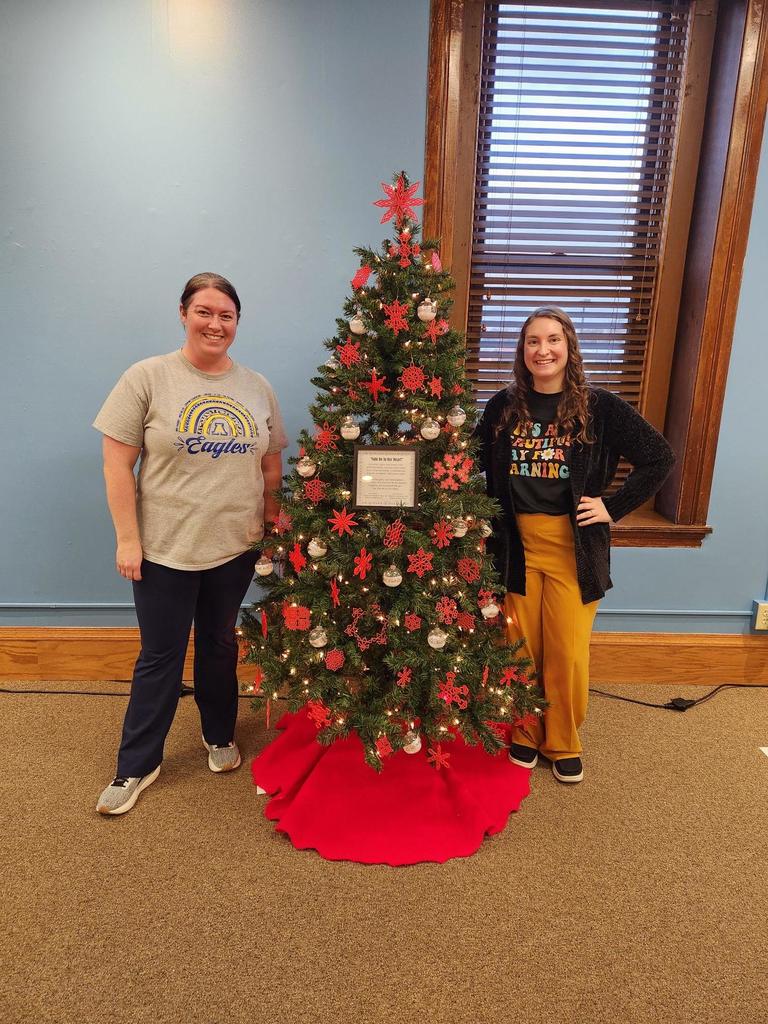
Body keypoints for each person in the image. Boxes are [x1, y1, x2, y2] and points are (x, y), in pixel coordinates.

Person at [93, 273, 287, 814]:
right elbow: (116, 464)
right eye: (204, 311)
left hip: (236, 544)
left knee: (221, 642)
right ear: (183, 314)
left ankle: (219, 734)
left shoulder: (256, 386)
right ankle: (136, 765)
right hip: (164, 549)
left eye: (226, 315)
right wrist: (127, 539)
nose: (215, 323)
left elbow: (271, 462)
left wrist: (272, 522)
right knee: (161, 655)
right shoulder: (147, 378)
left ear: (237, 323)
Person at [475, 306, 674, 784]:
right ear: (522, 353)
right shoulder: (502, 406)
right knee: (520, 647)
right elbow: (468, 461)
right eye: (532, 342)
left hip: (573, 549)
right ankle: (524, 731)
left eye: (552, 340)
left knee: (566, 650)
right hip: (515, 547)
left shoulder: (599, 407)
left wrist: (613, 506)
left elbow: (659, 457)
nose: (542, 350)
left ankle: (562, 739)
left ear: (569, 348)